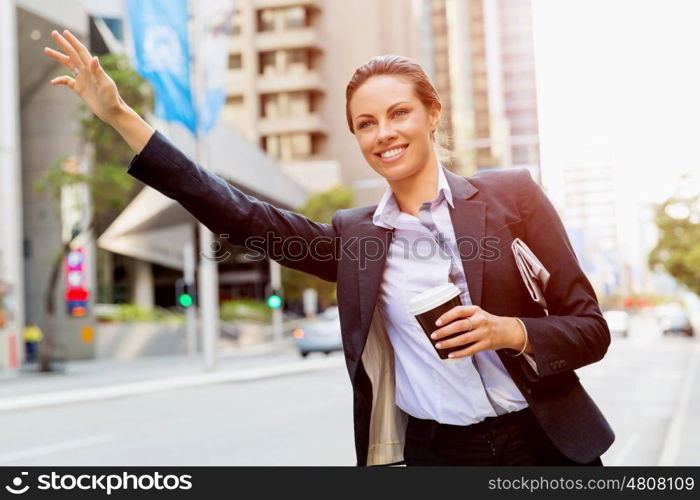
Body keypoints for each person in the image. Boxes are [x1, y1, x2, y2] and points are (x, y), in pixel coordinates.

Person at [44, 29, 614, 466]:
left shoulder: (510, 195)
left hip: (542, 441)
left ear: (432, 113)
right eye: (365, 124)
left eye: (398, 113)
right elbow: (236, 213)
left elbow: (591, 329)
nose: (383, 133)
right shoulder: (356, 238)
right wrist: (120, 116)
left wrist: (508, 331)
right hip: (440, 453)